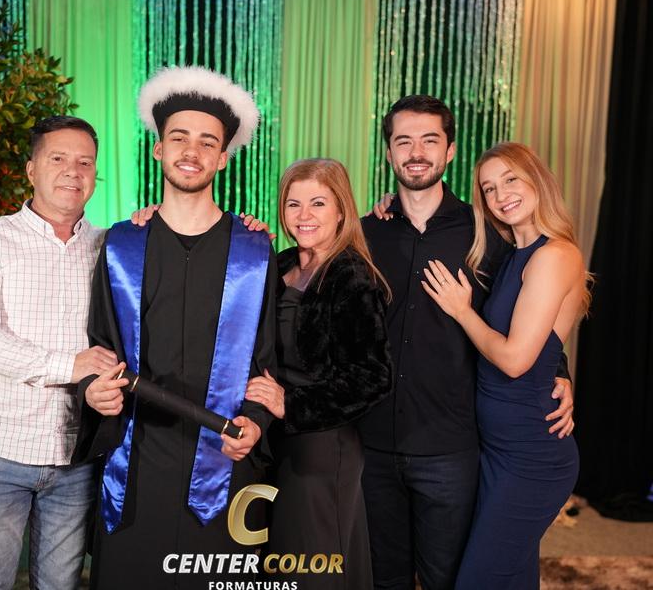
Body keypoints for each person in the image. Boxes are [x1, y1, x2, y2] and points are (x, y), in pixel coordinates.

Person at [358, 95, 575, 589]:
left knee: (451, 578)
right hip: (373, 444)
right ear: (389, 153)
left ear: (450, 150)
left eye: (429, 140)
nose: (416, 152)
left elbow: (526, 313)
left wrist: (558, 371)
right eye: (403, 141)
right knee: (383, 578)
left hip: (451, 448)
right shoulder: (366, 232)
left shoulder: (489, 233)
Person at [74, 66, 277, 590]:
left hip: (225, 465)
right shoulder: (121, 245)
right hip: (136, 463)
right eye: (179, 137)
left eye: (208, 141)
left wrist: (256, 422)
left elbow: (267, 361)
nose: (192, 151)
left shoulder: (254, 253)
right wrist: (92, 389)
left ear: (223, 158)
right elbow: (100, 348)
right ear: (159, 148)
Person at [0, 116, 118, 589]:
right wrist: (70, 365)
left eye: (85, 162)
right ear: (31, 170)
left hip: (75, 455)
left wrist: (243, 231)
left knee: (61, 585)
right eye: (58, 158)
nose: (73, 172)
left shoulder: (107, 246)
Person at [422, 142, 587, 588]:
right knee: (512, 577)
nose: (501, 194)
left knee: (479, 580)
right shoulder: (513, 254)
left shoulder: (555, 255)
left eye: (511, 179)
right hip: (497, 449)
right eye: (489, 188)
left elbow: (515, 360)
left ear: (538, 179)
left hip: (531, 455)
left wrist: (462, 311)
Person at [243, 158, 394, 590]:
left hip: (322, 448)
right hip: (274, 439)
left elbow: (373, 376)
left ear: (341, 210)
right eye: (294, 204)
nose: (304, 215)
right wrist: (244, 240)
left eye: (318, 203)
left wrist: (289, 403)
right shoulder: (281, 263)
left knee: (312, 566)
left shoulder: (352, 276)